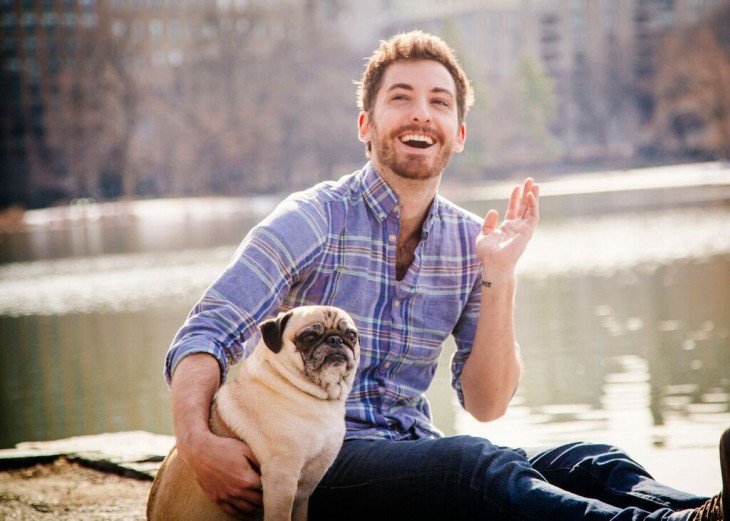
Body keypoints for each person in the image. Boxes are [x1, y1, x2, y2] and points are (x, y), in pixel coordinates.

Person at [164, 30, 728, 520]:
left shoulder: (469, 242)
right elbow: (207, 331)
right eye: (401, 98)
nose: (421, 114)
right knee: (474, 465)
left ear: (458, 133)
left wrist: (500, 276)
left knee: (592, 460)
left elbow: (487, 403)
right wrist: (197, 444)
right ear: (366, 124)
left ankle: (704, 511)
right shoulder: (311, 219)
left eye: (440, 102)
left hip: (410, 458)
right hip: (316, 464)